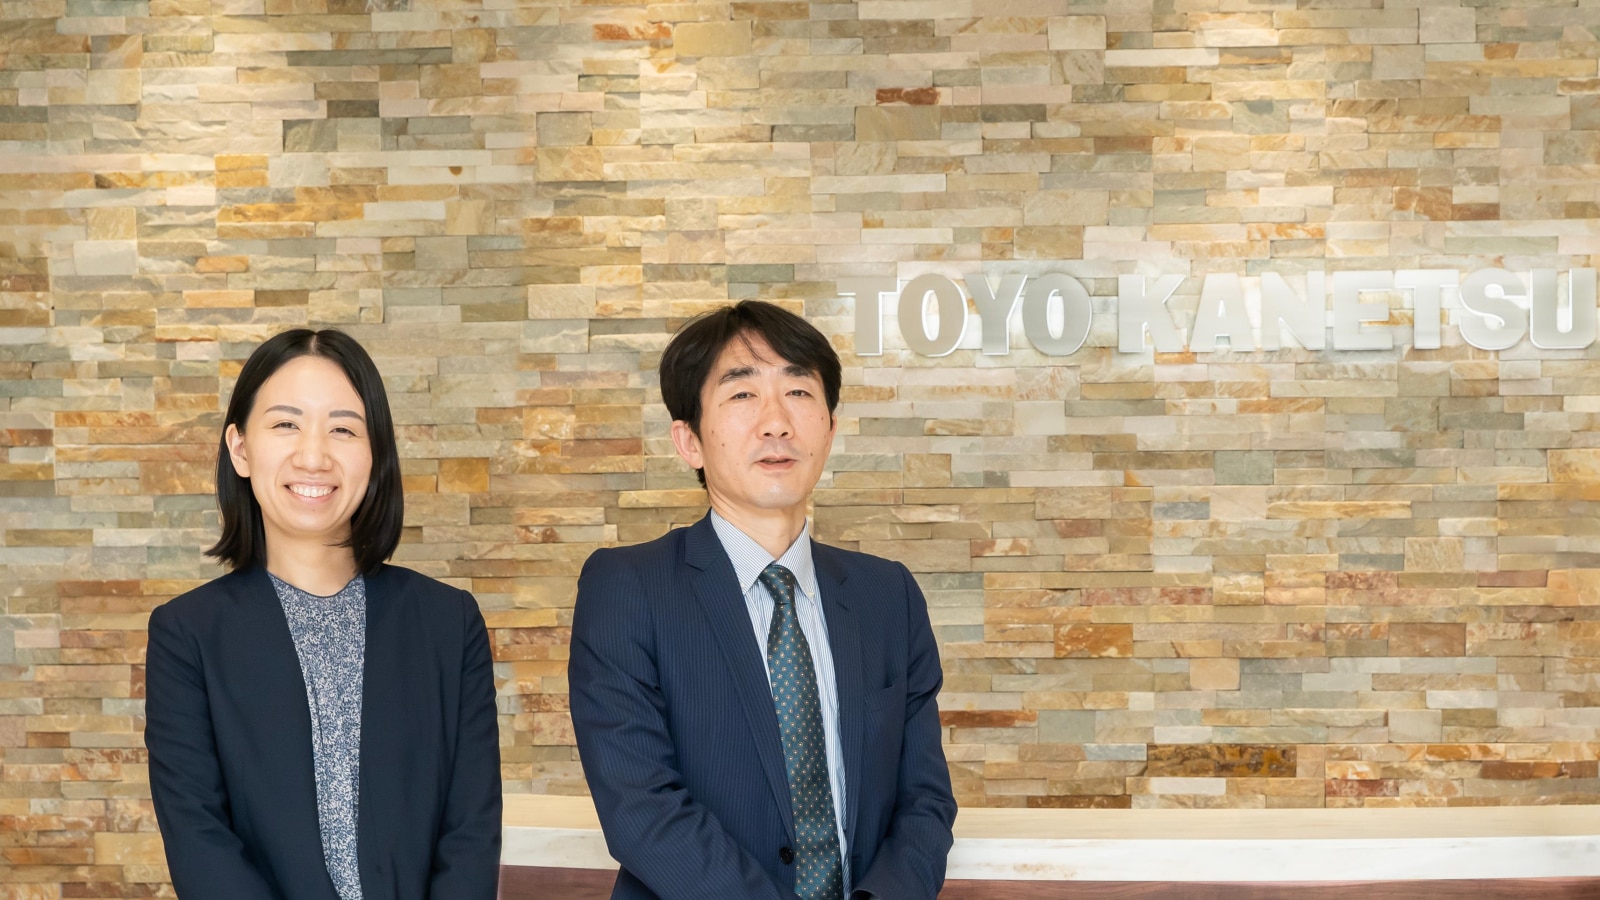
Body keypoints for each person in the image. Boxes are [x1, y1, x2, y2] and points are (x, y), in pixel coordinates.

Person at [569, 301, 957, 900]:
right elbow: (642, 807)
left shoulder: (889, 595)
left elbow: (924, 802)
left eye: (798, 392)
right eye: (743, 394)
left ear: (830, 430)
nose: (776, 422)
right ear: (689, 441)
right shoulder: (628, 588)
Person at [144, 329, 501, 900]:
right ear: (240, 448)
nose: (313, 456)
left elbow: (471, 834)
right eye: (286, 424)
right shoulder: (187, 634)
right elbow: (199, 842)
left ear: (375, 454)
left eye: (343, 429)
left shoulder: (447, 623)